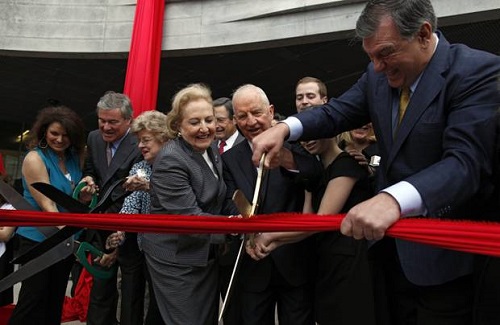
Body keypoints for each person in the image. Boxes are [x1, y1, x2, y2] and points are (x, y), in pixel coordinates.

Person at [250, 1, 500, 324]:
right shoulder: (376, 75)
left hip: (448, 266)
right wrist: (285, 128)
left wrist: (393, 199)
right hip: (386, 256)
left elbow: (465, 163)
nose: (378, 67)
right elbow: (335, 112)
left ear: (423, 34)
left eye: (385, 53)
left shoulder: (476, 72)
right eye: (370, 57)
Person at [247, 117, 376, 324]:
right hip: (325, 261)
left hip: (350, 263)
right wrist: (273, 242)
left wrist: (272, 236)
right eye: (302, 137)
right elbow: (306, 221)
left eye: (313, 133)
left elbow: (320, 221)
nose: (307, 141)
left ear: (332, 130)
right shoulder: (316, 173)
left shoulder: (347, 164)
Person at [222, 84, 321, 325]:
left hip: (294, 262)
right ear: (235, 120)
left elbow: (316, 176)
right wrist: (245, 229)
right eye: (242, 116)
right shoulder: (229, 158)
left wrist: (287, 160)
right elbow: (227, 201)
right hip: (253, 262)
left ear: (270, 111)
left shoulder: (296, 146)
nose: (251, 121)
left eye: (256, 113)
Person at [140, 83, 233, 324]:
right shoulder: (171, 159)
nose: (204, 128)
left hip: (203, 252)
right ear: (178, 126)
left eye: (209, 120)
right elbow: (191, 218)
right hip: (175, 259)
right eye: (194, 122)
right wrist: (235, 227)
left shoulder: (211, 147)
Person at [10, 105, 86, 324]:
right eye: (54, 133)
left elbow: (75, 198)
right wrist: (73, 239)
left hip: (65, 240)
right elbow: (48, 206)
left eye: (66, 135)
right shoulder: (35, 158)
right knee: (32, 300)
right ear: (44, 132)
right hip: (39, 240)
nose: (60, 139)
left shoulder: (73, 157)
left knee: (55, 301)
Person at [77, 91, 142, 325]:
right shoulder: (93, 138)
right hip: (99, 225)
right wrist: (88, 180)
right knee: (100, 288)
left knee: (131, 291)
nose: (105, 127)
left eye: (112, 122)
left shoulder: (139, 143)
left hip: (128, 227)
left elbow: (136, 191)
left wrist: (120, 233)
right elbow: (91, 169)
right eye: (101, 120)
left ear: (129, 120)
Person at [106, 110, 171, 325]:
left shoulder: (176, 166)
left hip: (171, 251)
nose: (141, 146)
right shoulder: (140, 167)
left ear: (163, 138)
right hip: (145, 247)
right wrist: (119, 230)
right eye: (139, 140)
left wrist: (150, 187)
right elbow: (131, 203)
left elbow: (178, 201)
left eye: (146, 140)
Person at [211, 96, 245, 325]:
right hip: (213, 235)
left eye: (220, 119)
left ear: (234, 119)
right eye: (212, 120)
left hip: (241, 236)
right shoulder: (208, 147)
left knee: (239, 304)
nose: (216, 125)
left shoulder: (247, 145)